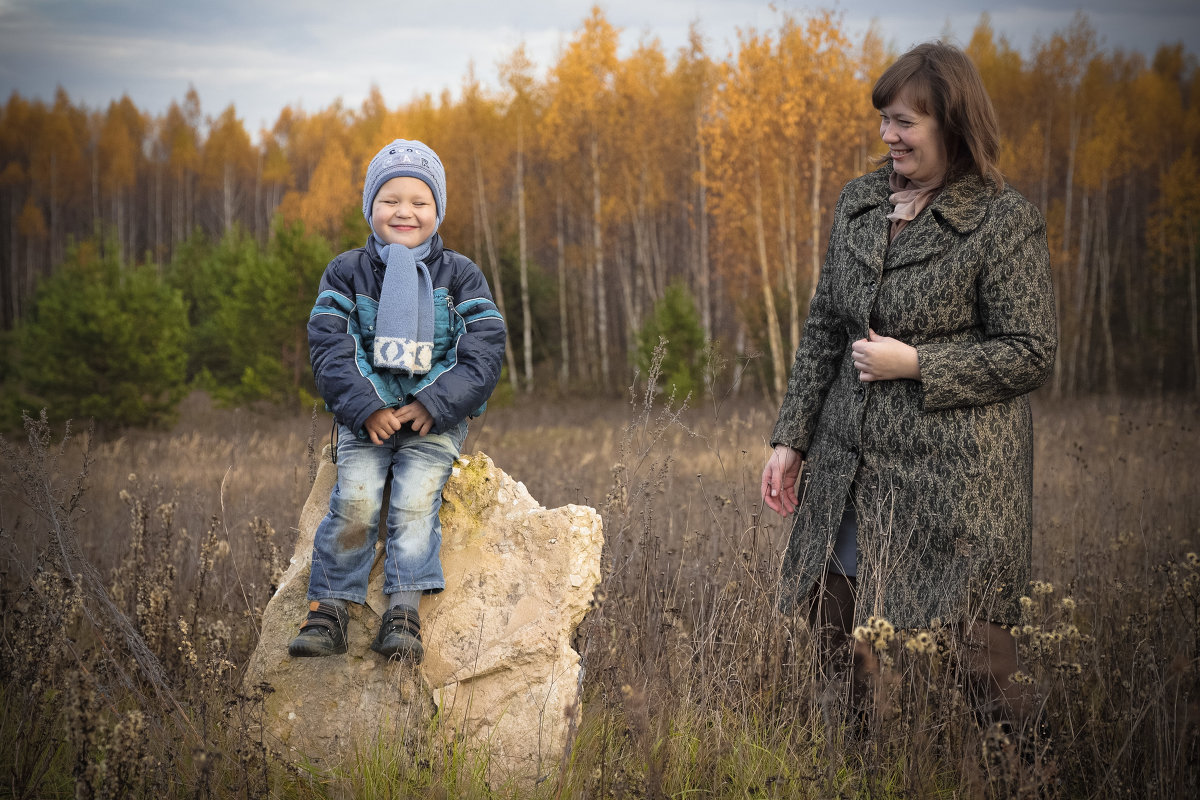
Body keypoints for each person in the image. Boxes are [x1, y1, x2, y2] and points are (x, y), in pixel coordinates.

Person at [760, 42, 1056, 724]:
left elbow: (1032, 351)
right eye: (884, 120)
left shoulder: (1003, 222)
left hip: (955, 482)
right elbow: (824, 330)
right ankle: (849, 773)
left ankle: (1030, 775)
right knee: (837, 633)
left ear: (951, 123)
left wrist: (918, 363)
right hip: (850, 466)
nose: (888, 136)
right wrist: (791, 441)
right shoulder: (860, 202)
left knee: (978, 659)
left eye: (904, 122)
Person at [288, 139, 505, 662]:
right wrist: (370, 406)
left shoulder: (461, 275)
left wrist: (434, 402)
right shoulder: (347, 272)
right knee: (358, 498)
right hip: (367, 421)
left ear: (438, 210)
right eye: (389, 199)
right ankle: (330, 611)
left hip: (434, 423)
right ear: (370, 207)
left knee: (413, 502)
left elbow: (483, 347)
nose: (404, 211)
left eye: (419, 201)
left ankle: (403, 612)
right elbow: (332, 345)